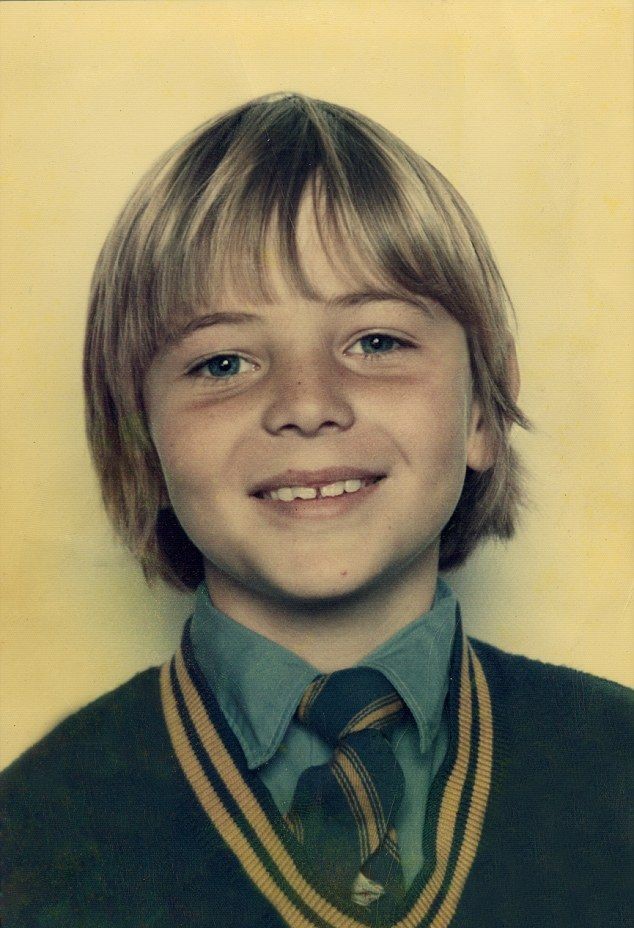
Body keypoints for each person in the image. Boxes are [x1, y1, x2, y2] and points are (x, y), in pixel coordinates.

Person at [1, 92, 631, 928]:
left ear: (482, 411)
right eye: (223, 362)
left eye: (376, 342)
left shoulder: (616, 768)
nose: (306, 404)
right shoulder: (33, 834)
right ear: (141, 442)